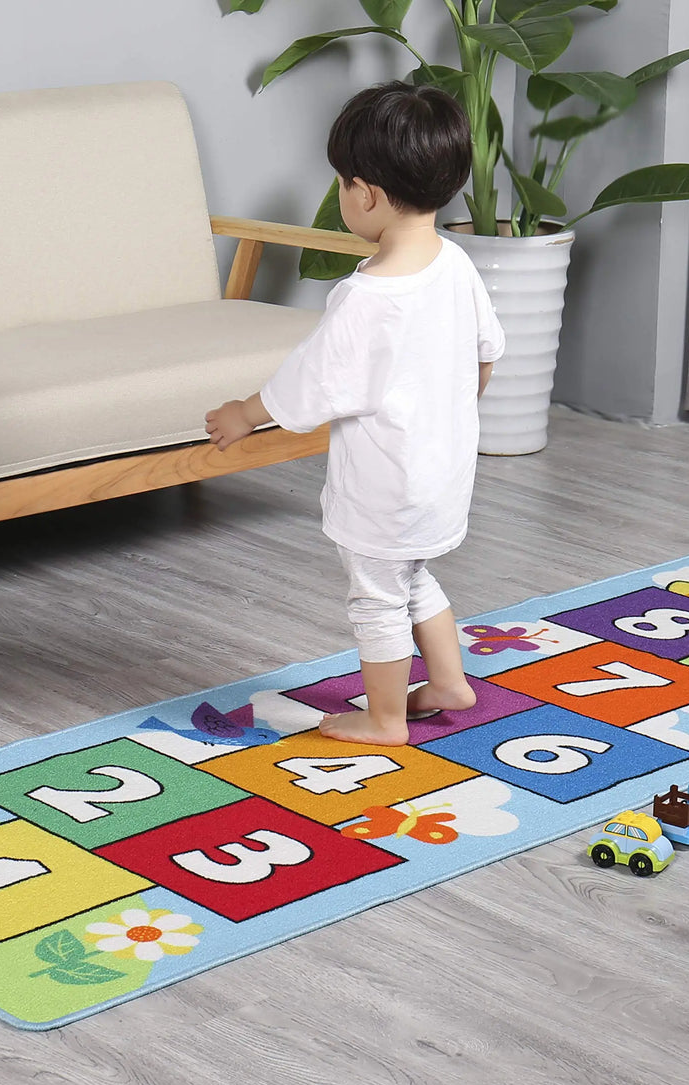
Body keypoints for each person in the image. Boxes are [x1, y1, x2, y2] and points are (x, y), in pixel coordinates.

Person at [205, 81, 505, 746]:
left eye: (342, 182)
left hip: (384, 487)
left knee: (375, 596)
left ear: (364, 194)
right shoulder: (455, 264)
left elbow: (307, 385)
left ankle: (386, 718)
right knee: (412, 574)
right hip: (442, 472)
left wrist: (243, 413)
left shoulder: (365, 298)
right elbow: (486, 355)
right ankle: (449, 684)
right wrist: (448, 413)